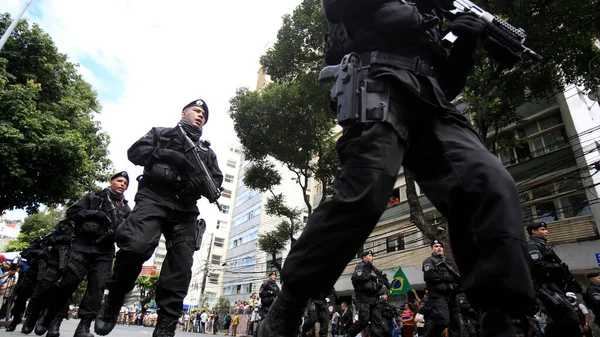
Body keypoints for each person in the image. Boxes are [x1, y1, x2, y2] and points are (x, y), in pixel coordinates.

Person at [257, 0, 539, 336]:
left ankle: (506, 320)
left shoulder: (434, 10)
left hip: (431, 99)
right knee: (366, 191)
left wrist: (464, 40)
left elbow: (448, 83)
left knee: (490, 183)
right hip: (374, 79)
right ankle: (290, 301)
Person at [95, 99, 222, 337]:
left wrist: (199, 185)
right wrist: (165, 154)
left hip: (184, 208)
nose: (200, 116)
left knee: (181, 265)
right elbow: (135, 152)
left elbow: (215, 183)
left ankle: (166, 324)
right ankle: (114, 298)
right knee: (136, 245)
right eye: (197, 111)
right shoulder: (162, 134)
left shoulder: (207, 153)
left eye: (204, 114)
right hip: (154, 197)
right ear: (184, 113)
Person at [35, 171, 131, 337]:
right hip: (82, 246)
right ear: (111, 182)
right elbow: (72, 212)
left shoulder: (126, 209)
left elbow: (128, 232)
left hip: (104, 252)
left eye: (125, 183)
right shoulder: (93, 197)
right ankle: (53, 320)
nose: (123, 184)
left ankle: (84, 326)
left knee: (97, 288)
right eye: (120, 181)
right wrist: (94, 213)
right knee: (67, 284)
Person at [526, 222, 581, 337]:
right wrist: (558, 267)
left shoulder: (544, 246)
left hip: (552, 286)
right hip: (544, 286)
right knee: (570, 318)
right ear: (534, 232)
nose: (546, 232)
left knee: (564, 320)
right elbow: (537, 265)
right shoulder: (532, 245)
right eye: (542, 229)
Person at [422, 240, 461, 337]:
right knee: (443, 321)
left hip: (451, 296)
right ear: (432, 249)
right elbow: (428, 276)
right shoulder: (429, 261)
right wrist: (446, 278)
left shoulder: (448, 262)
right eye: (436, 246)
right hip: (438, 295)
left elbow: (454, 278)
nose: (439, 248)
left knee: (455, 325)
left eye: (440, 246)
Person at [345, 251, 386, 337]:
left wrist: (380, 283)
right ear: (364, 257)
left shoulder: (373, 270)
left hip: (373, 299)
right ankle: (349, 335)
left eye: (372, 256)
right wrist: (370, 276)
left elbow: (373, 289)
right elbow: (357, 277)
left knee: (377, 322)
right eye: (370, 256)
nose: (372, 258)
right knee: (363, 321)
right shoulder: (360, 266)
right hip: (363, 299)